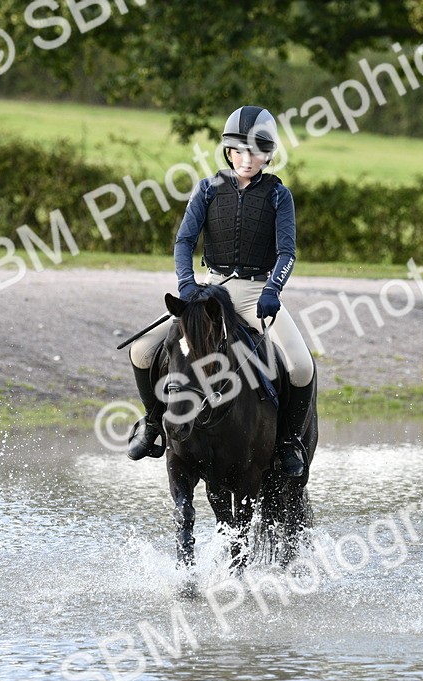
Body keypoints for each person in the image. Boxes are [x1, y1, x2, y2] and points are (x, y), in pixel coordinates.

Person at [125, 105, 316, 476]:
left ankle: (290, 441)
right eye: (239, 150)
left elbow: (287, 252)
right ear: (229, 151)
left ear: (268, 154)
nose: (247, 159)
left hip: (257, 293)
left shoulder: (279, 195)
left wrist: (273, 288)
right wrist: (186, 285)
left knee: (301, 365)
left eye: (256, 151)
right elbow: (184, 242)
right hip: (210, 290)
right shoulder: (208, 189)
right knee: (142, 350)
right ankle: (152, 424)